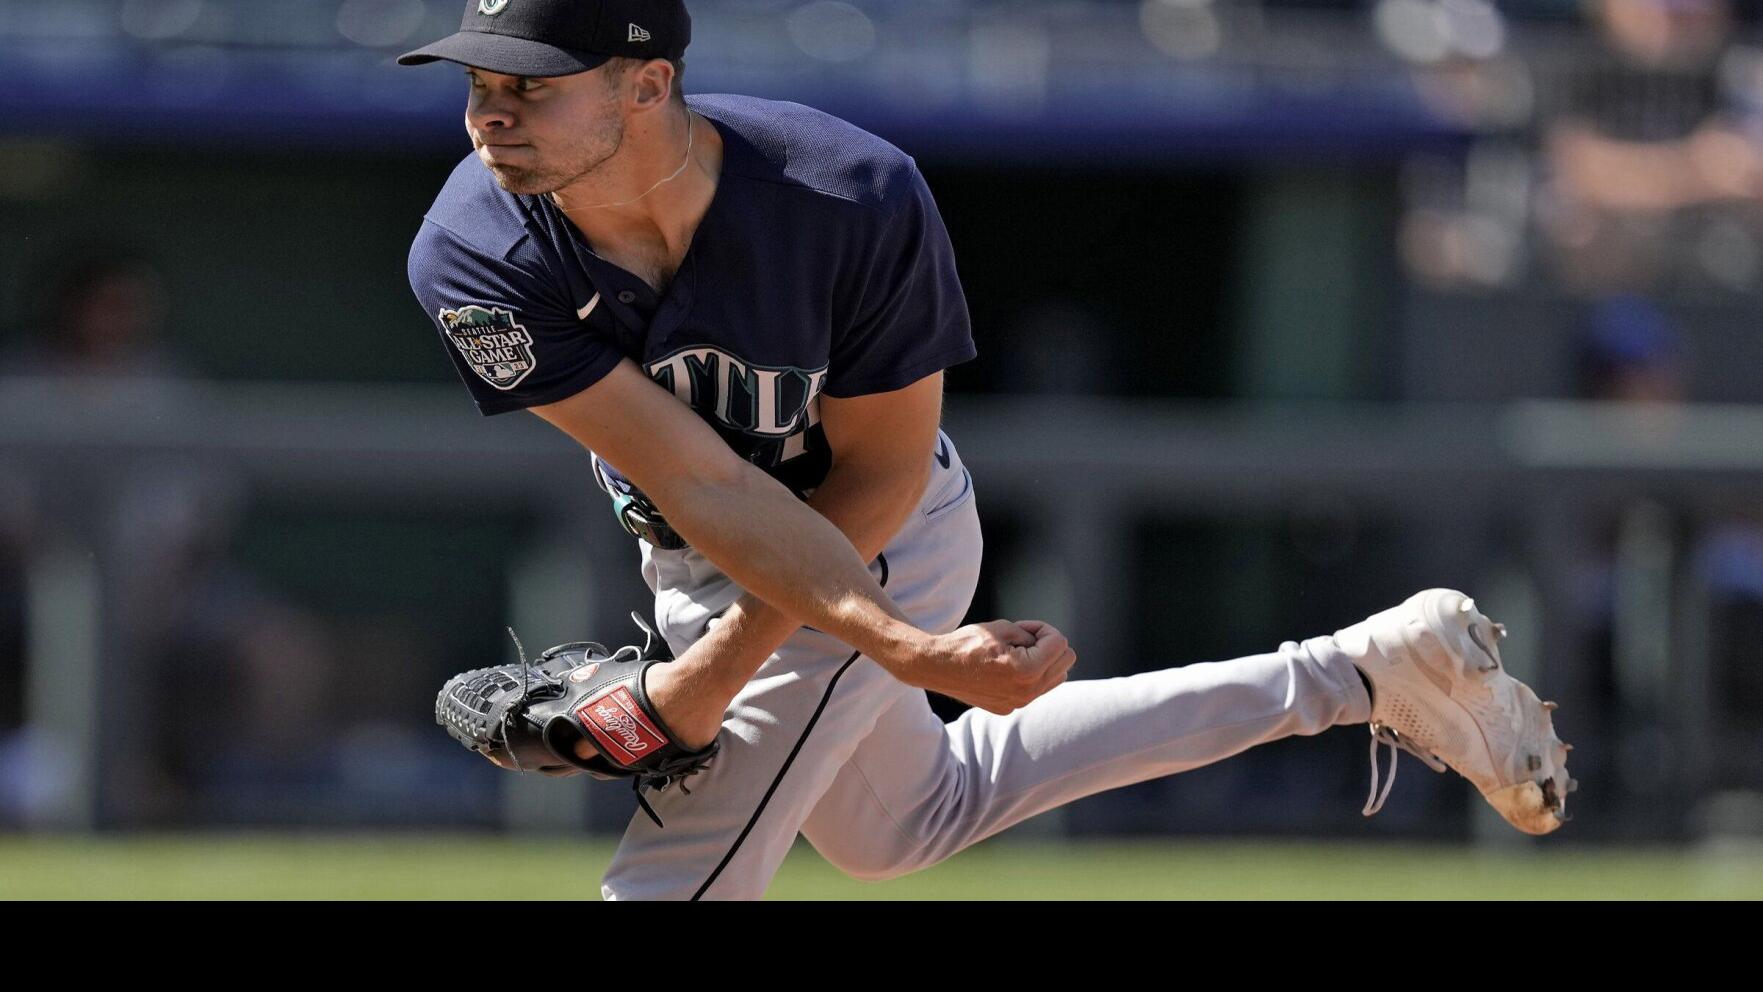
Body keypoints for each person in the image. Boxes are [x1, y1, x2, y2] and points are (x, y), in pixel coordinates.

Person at [401, 0, 1572, 900]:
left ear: (648, 83)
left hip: (884, 528)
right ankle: (1362, 671)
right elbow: (696, 478)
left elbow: (877, 469)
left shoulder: (847, 196)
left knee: (671, 875)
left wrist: (814, 660)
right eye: (477, 84)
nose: (490, 112)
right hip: (711, 550)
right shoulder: (472, 253)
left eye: (531, 85)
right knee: (904, 822)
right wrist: (707, 683)